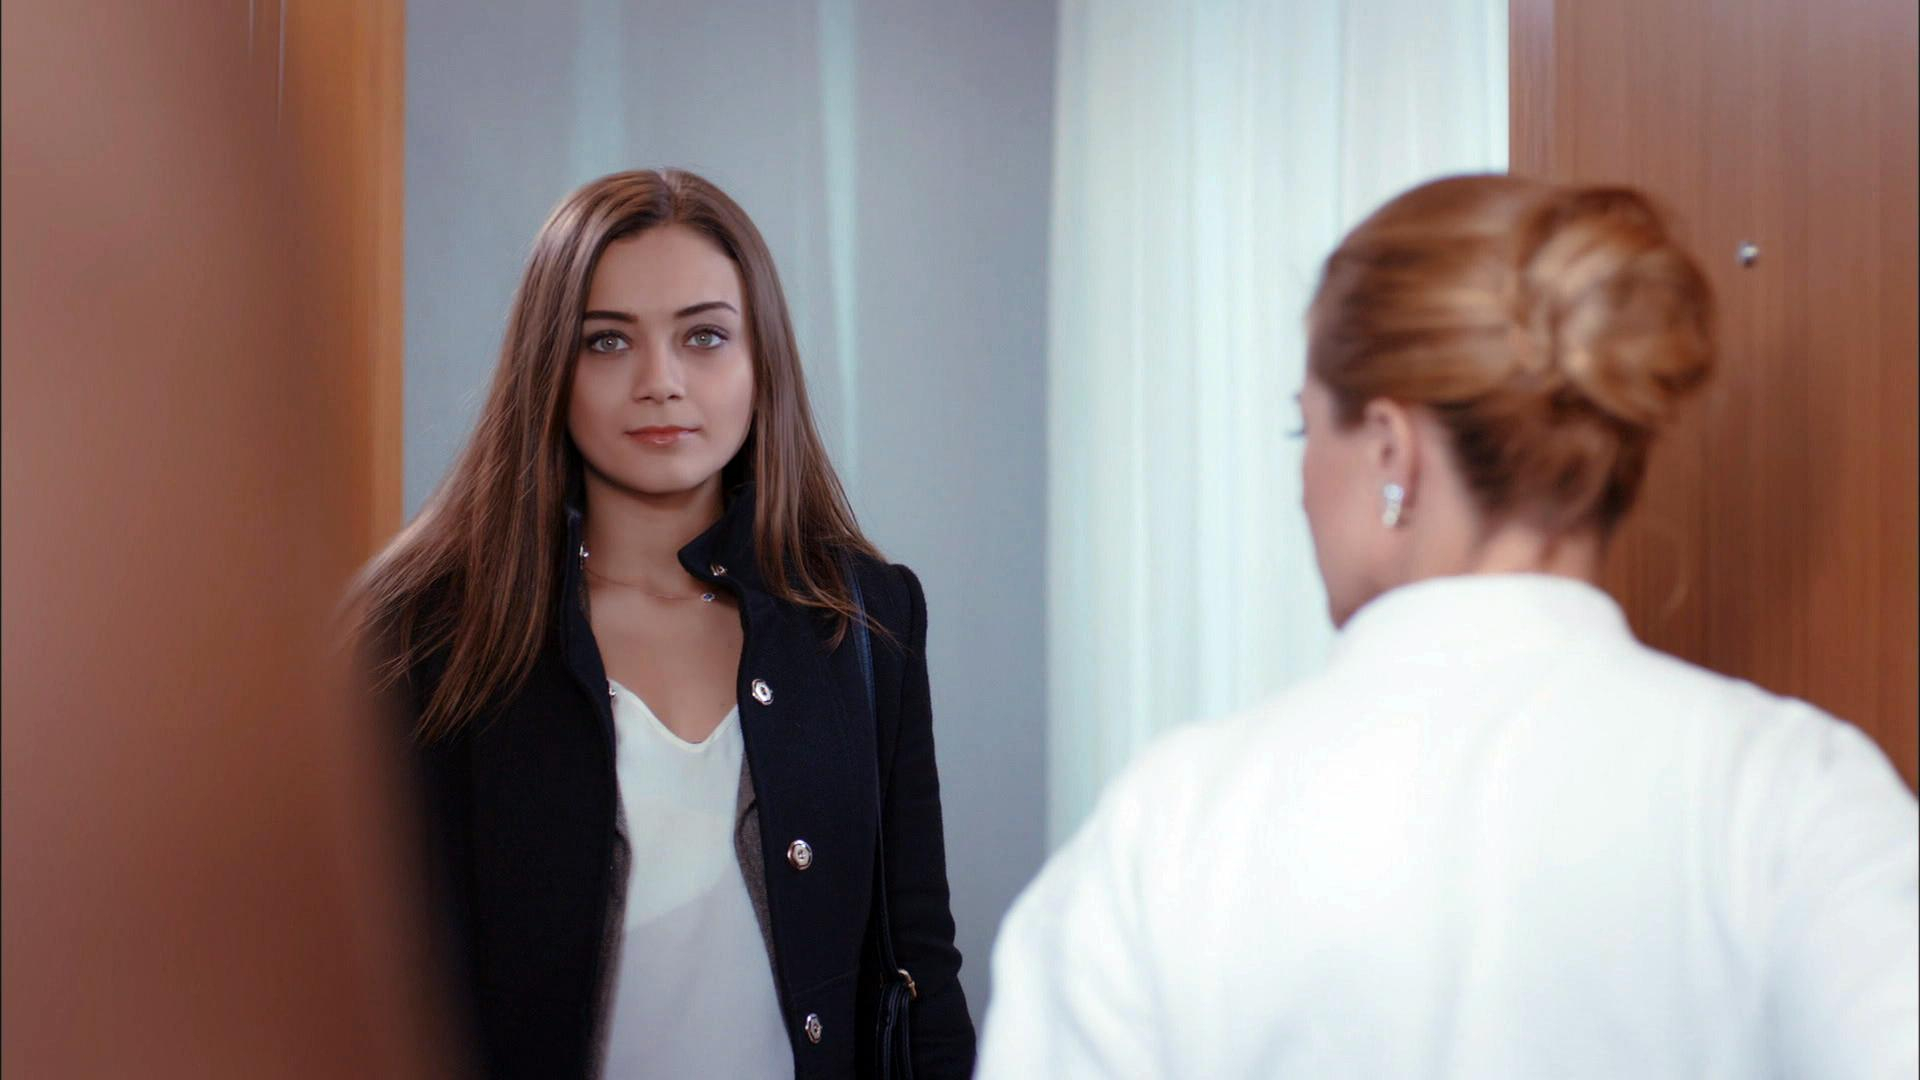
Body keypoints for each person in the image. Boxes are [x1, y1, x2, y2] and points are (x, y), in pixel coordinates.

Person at [975, 175, 1918, 1078]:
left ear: (1393, 449)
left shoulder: (1177, 826)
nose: (1301, 488)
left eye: (1306, 431)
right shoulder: (1792, 793)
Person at [353, 169, 975, 1078]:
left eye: (704, 336)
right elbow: (358, 986)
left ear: (762, 363)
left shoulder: (864, 620)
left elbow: (922, 966)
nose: (660, 382)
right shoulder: (424, 633)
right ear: (549, 368)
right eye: (607, 341)